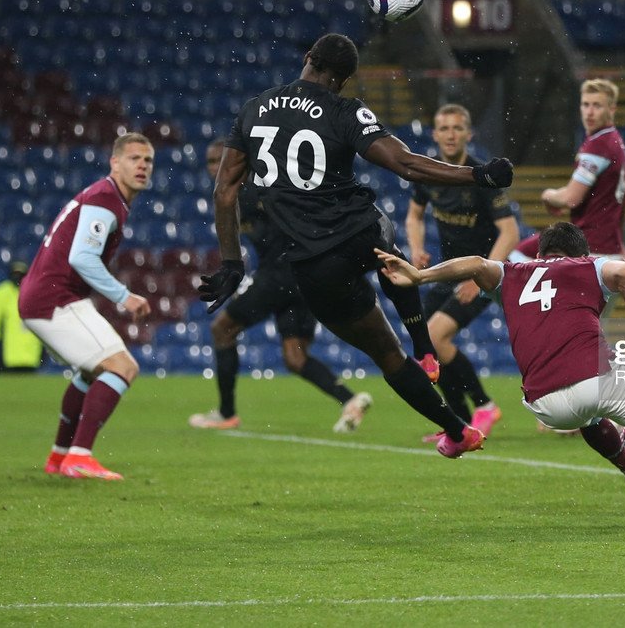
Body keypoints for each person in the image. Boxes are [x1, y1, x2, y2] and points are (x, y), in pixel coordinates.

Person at [200, 33, 515, 459]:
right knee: (385, 244)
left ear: (308, 58)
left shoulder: (254, 109)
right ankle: (424, 346)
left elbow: (224, 191)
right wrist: (476, 176)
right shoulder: (344, 109)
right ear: (344, 80)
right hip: (356, 233)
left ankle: (456, 430)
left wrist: (232, 263)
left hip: (312, 264)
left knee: (387, 355)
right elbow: (404, 163)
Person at [375, 222, 625, 525]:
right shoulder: (586, 266)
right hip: (598, 379)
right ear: (579, 253)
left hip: (545, 407)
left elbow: (477, 264)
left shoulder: (514, 274)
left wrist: (421, 275)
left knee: (588, 416)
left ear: (539, 255)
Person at [189, 139, 373, 434]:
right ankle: (350, 400)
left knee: (222, 329)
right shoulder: (251, 189)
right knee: (295, 357)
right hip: (302, 276)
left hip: (280, 274)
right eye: (210, 162)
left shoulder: (248, 192)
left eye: (220, 160)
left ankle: (226, 413)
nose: (215, 167)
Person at [19, 133, 155, 481]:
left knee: (90, 372)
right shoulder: (104, 198)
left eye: (148, 160)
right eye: (134, 158)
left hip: (47, 296)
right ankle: (80, 457)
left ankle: (60, 455)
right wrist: (124, 296)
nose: (142, 165)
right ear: (115, 162)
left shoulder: (105, 198)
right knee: (123, 367)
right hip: (55, 298)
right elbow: (82, 257)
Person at [405, 104, 519, 440]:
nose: (450, 135)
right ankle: (458, 424)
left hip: (481, 275)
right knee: (426, 345)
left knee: (436, 337)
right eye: (444, 128)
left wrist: (477, 275)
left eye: (457, 129)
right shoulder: (428, 171)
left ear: (468, 134)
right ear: (435, 134)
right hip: (447, 272)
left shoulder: (480, 176)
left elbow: (510, 232)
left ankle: (485, 405)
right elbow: (413, 215)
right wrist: (416, 246)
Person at [513, 78, 625, 261]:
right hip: (608, 247)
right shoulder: (615, 140)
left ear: (611, 109)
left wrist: (547, 195)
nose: (589, 112)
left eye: (597, 106)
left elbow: (571, 198)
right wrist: (617, 238)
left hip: (587, 248)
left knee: (517, 256)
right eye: (585, 105)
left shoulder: (598, 145)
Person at [0, 259, 44, 373]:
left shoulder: (35, 291)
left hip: (31, 357)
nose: (18, 278)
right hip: (8, 358)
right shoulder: (1, 292)